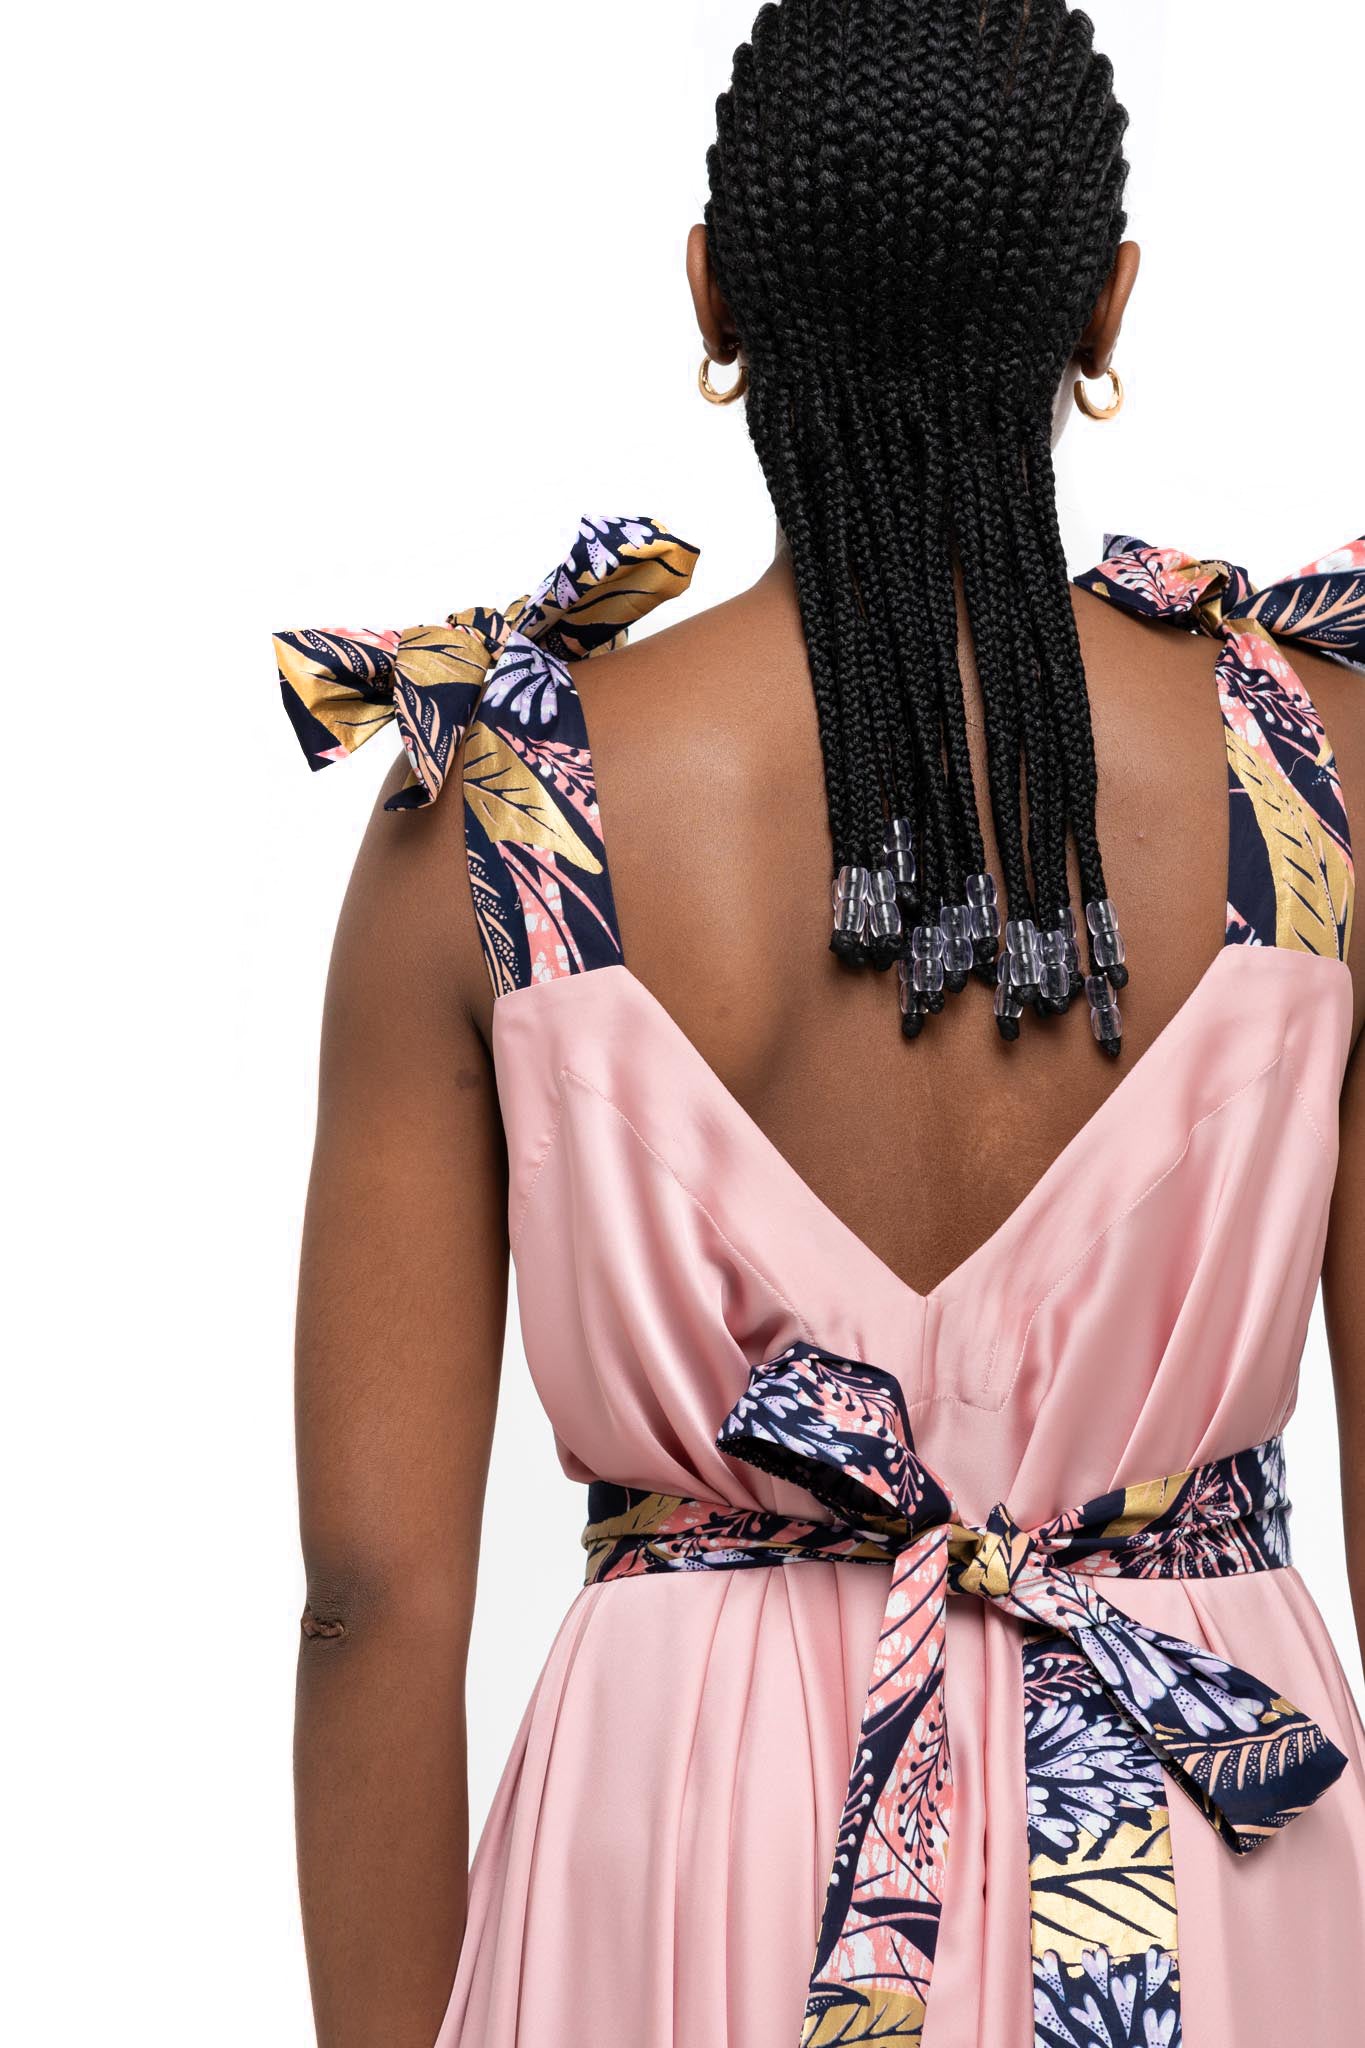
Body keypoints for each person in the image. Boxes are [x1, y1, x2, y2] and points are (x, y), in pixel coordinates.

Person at [275, 4, 1365, 2043]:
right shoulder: (1314, 778)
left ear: (711, 294)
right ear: (1104, 310)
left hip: (682, 1837)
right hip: (1200, 1833)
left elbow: (373, 1597)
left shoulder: (495, 821)